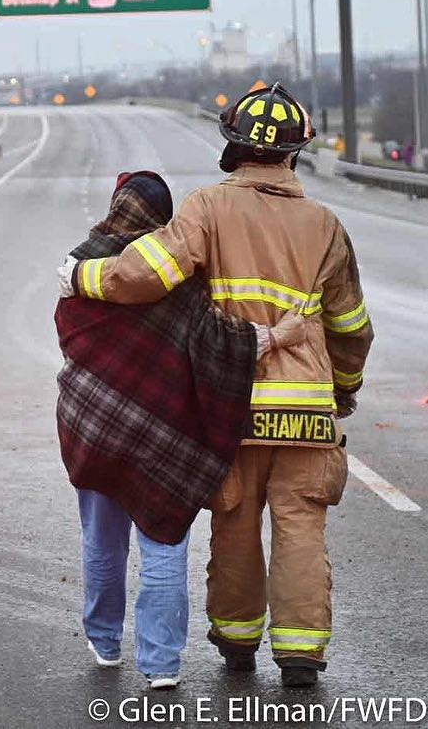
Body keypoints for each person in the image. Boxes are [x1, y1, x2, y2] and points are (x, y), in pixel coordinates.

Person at [60, 83, 373, 688]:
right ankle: (302, 654)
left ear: (233, 145)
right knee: (301, 523)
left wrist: (83, 275)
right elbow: (350, 325)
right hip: (307, 408)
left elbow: (145, 274)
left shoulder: (207, 208)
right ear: (295, 152)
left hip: (233, 403)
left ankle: (236, 643)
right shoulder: (326, 226)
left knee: (234, 521)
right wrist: (345, 389)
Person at [56, 170, 305, 690]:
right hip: (164, 439)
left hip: (94, 427)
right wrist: (280, 335)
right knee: (163, 542)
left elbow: (70, 333)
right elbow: (222, 343)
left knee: (101, 542)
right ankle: (161, 663)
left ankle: (104, 641)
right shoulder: (177, 277)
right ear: (163, 219)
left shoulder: (82, 263)